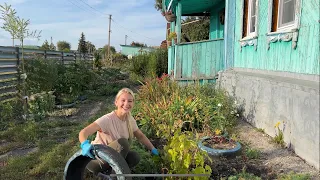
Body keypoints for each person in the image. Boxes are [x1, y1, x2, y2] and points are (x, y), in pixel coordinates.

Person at [79, 88, 159, 175]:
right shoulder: (107, 119)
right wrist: (84, 144)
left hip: (110, 158)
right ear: (116, 102)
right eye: (123, 100)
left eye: (130, 101)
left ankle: (109, 174)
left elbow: (140, 136)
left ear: (133, 103)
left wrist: (153, 149)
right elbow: (84, 132)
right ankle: (116, 176)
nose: (126, 104)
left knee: (134, 157)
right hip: (97, 160)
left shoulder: (129, 120)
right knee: (123, 143)